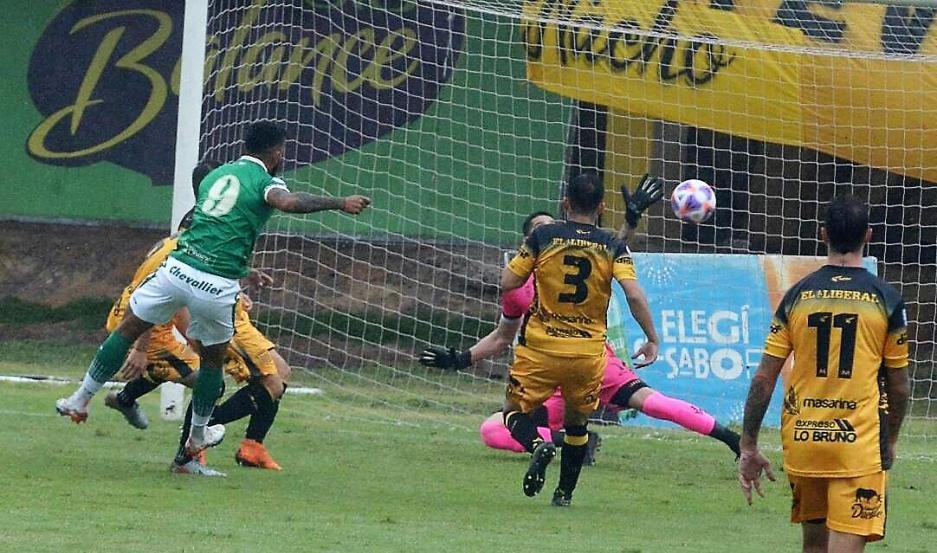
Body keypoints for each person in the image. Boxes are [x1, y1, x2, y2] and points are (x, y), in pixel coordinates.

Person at [56, 121, 371, 460]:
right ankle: (197, 436)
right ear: (277, 153)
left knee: (128, 327)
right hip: (214, 285)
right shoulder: (266, 182)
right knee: (211, 364)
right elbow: (289, 202)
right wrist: (340, 202)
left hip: (178, 268)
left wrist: (244, 272)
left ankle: (80, 398)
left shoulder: (214, 176)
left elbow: (218, 230)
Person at [420, 181, 739, 465]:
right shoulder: (526, 285)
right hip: (568, 373)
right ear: (529, 240)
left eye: (549, 225)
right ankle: (564, 445)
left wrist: (629, 223)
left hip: (576, 362)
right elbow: (504, 336)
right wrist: (462, 358)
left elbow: (609, 253)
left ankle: (730, 438)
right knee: (493, 429)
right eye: (538, 230)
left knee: (650, 403)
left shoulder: (534, 273)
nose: (546, 231)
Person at [737, 195, 910, 552]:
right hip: (857, 447)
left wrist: (749, 443)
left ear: (822, 234)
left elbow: (763, 379)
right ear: (870, 236)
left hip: (805, 442)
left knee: (813, 548)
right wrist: (890, 439)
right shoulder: (886, 299)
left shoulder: (797, 295)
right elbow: (900, 387)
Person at [102, 160, 290, 474]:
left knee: (262, 375)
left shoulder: (207, 214)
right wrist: (141, 346)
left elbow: (208, 266)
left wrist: (240, 282)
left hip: (213, 306)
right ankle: (197, 439)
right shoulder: (210, 217)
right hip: (212, 312)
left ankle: (249, 445)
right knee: (272, 378)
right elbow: (182, 275)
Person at [497, 172, 660, 506]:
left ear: (564, 203)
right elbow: (634, 295)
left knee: (513, 412)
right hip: (587, 353)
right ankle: (564, 495)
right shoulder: (612, 245)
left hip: (541, 348)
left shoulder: (543, 235)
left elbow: (509, 282)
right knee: (577, 422)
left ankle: (537, 446)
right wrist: (651, 337)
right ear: (601, 206)